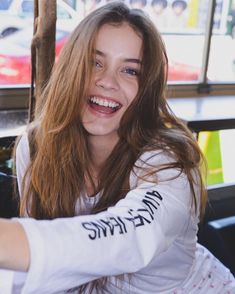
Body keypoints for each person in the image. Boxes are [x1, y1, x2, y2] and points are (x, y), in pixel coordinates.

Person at [0, 2, 235, 293]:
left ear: (146, 89)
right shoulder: (36, 148)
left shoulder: (168, 164)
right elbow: (52, 272)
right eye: (94, 63)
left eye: (130, 71)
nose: (107, 82)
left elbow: (131, 236)